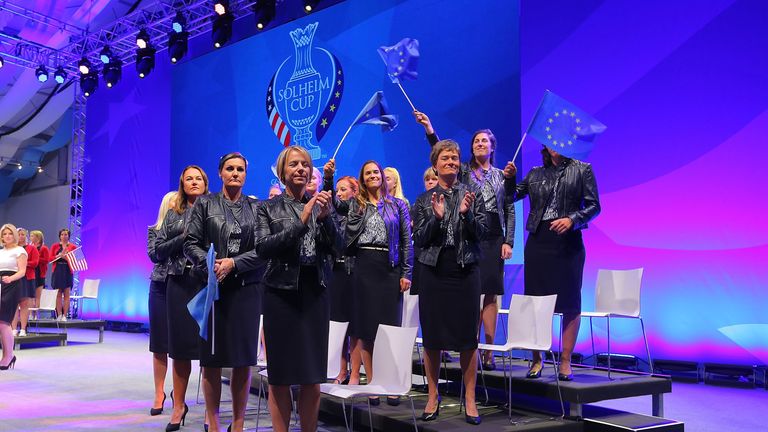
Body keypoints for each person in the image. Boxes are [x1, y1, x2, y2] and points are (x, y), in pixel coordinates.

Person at [414, 111, 516, 370]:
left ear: (493, 146)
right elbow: (441, 155)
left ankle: (489, 352)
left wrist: (509, 240)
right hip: (465, 234)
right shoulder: (465, 175)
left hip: (492, 235)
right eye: (476, 142)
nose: (480, 144)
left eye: (485, 141)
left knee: (491, 294)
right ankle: (466, 343)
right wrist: (429, 129)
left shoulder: (502, 175)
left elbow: (509, 206)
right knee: (471, 295)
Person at [255, 145, 338, 432]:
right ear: (283, 171)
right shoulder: (266, 208)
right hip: (280, 294)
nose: (301, 169)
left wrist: (326, 220)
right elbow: (264, 248)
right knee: (280, 376)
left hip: (315, 293)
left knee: (311, 376)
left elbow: (336, 248)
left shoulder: (320, 205)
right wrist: (301, 222)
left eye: (305, 164)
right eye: (294, 165)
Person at [185, 154, 265, 432]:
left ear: (246, 173)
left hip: (246, 290)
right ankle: (215, 424)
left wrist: (234, 264)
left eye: (240, 169)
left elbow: (263, 250)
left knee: (243, 362)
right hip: (213, 290)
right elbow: (190, 243)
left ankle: (238, 424)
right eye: (229, 169)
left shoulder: (257, 208)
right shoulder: (206, 204)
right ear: (220, 173)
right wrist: (210, 264)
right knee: (212, 361)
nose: (235, 173)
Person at [509, 145, 600, 381]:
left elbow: (594, 206)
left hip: (568, 242)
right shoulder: (535, 173)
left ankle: (566, 360)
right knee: (536, 303)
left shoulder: (582, 169)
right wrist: (509, 179)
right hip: (539, 242)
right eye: (551, 141)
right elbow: (511, 197)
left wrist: (572, 219)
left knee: (570, 302)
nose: (555, 146)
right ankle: (537, 359)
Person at [412, 139, 487, 425]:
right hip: (433, 271)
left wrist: (466, 217)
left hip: (465, 270)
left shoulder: (473, 194)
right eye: (446, 158)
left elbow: (482, 234)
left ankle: (469, 398)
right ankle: (433, 395)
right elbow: (419, 239)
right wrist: (435, 217)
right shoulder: (423, 200)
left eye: (455, 158)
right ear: (435, 165)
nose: (452, 162)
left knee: (468, 338)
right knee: (432, 338)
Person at [325, 159, 412, 405]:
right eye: (368, 173)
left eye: (376, 172)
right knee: (366, 329)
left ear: (383, 177)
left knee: (390, 328)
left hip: (390, 267)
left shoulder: (397, 205)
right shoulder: (356, 204)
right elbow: (334, 204)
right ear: (362, 179)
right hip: (362, 266)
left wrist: (407, 272)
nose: (373, 176)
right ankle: (373, 381)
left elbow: (407, 240)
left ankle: (391, 382)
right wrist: (329, 179)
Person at [155, 166, 208, 431]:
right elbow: (157, 251)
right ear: (182, 184)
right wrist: (183, 238)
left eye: (199, 178)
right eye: (189, 178)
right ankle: (178, 405)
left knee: (210, 349)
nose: (194, 181)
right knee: (180, 351)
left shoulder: (215, 210)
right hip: (177, 282)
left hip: (207, 284)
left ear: (206, 183)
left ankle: (211, 410)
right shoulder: (174, 215)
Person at [321, 172, 360, 385]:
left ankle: (355, 373)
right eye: (338, 190)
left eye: (344, 189)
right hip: (334, 273)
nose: (339, 194)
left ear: (355, 192)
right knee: (339, 325)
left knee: (354, 326)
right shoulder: (332, 214)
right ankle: (341, 370)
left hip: (352, 272)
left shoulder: (358, 212)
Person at [147, 191, 177, 416]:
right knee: (159, 345)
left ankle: (179, 392)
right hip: (159, 287)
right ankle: (159, 392)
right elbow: (155, 255)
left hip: (183, 286)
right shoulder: (154, 230)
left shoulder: (193, 229)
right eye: (176, 204)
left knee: (180, 346)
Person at [0, 223, 28, 370]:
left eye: (10, 233)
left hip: (12, 284)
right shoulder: (1, 251)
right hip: (0, 285)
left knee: (3, 322)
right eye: (4, 234)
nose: (7, 236)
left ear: (14, 235)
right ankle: (7, 355)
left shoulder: (20, 250)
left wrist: (10, 279)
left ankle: (8, 356)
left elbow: (22, 271)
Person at [10, 228, 39, 337]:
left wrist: (23, 263)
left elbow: (35, 263)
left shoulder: (32, 248)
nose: (21, 236)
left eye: (22, 234)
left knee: (24, 304)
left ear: (26, 236)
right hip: (14, 278)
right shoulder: (12, 249)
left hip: (27, 278)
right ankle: (13, 329)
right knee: (14, 304)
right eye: (18, 234)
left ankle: (23, 329)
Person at [50, 228, 77, 320]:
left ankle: (65, 315)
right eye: (62, 234)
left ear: (68, 236)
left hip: (67, 271)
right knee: (58, 294)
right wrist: (58, 255)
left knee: (66, 293)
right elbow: (50, 259)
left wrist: (66, 258)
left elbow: (76, 261)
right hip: (57, 270)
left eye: (66, 234)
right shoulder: (55, 246)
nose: (64, 236)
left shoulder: (73, 247)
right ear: (59, 236)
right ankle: (59, 314)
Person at [29, 230, 50, 320]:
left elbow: (46, 260)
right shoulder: (29, 247)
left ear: (38, 238)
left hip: (40, 274)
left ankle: (36, 315)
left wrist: (36, 257)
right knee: (30, 296)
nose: (30, 237)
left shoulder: (44, 248)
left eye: (32, 236)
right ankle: (30, 314)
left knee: (38, 296)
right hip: (31, 273)